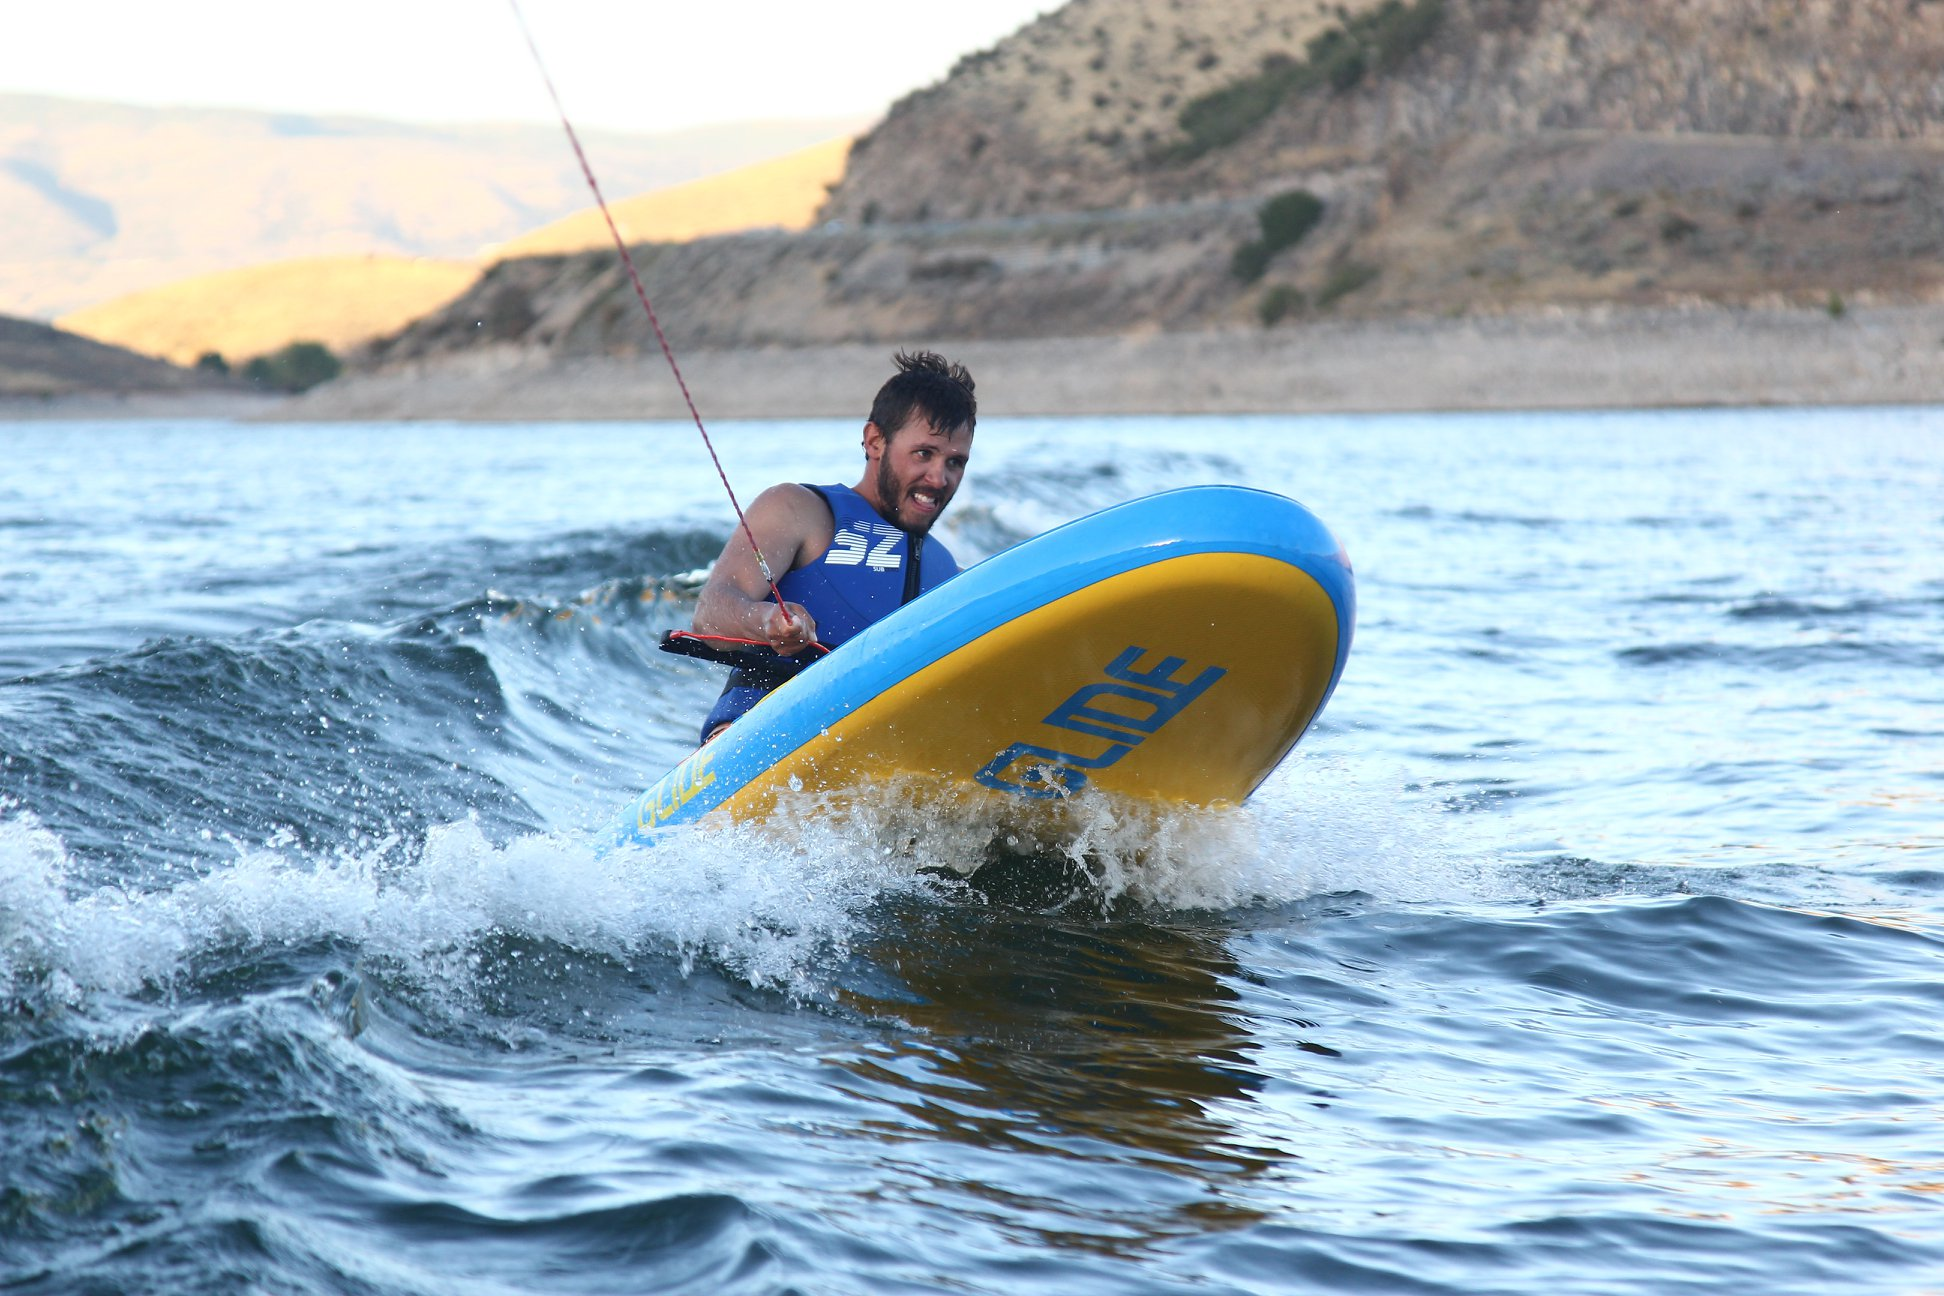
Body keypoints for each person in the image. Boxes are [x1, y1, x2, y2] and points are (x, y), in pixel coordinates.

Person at [689, 349, 976, 742]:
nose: (939, 478)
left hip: (880, 759)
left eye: (955, 462)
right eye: (924, 454)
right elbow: (710, 613)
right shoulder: (800, 510)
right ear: (875, 441)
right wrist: (769, 620)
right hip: (758, 735)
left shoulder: (947, 573)